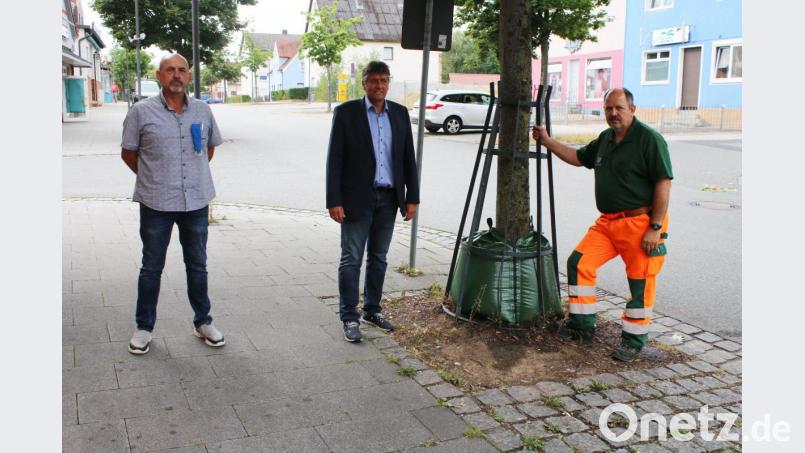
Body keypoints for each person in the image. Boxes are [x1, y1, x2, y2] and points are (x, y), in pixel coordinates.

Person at [532, 88, 673, 362]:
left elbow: (663, 183)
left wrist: (655, 227)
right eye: (609, 108)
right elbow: (578, 157)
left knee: (640, 283)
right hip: (608, 223)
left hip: (640, 223)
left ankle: (633, 341)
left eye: (619, 108)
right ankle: (582, 327)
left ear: (632, 109)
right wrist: (547, 141)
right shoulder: (606, 139)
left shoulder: (649, 139)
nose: (613, 113)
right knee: (579, 263)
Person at [120, 53, 225, 354]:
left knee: (198, 264)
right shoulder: (141, 111)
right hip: (156, 202)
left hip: (196, 201)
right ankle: (144, 327)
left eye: (181, 70)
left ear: (188, 76)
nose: (176, 75)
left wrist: (189, 177)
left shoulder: (203, 110)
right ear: (159, 75)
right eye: (170, 70)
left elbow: (209, 149)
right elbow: (128, 152)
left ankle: (203, 321)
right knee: (151, 267)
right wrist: (154, 177)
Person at [326, 61, 420, 343]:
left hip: (389, 198)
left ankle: (372, 310)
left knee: (379, 257)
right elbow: (335, 159)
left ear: (388, 83)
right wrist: (334, 200)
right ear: (364, 83)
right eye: (374, 80)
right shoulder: (346, 113)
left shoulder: (400, 114)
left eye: (384, 80)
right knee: (351, 258)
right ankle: (349, 316)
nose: (379, 85)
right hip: (356, 199)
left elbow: (408, 158)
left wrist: (412, 197)